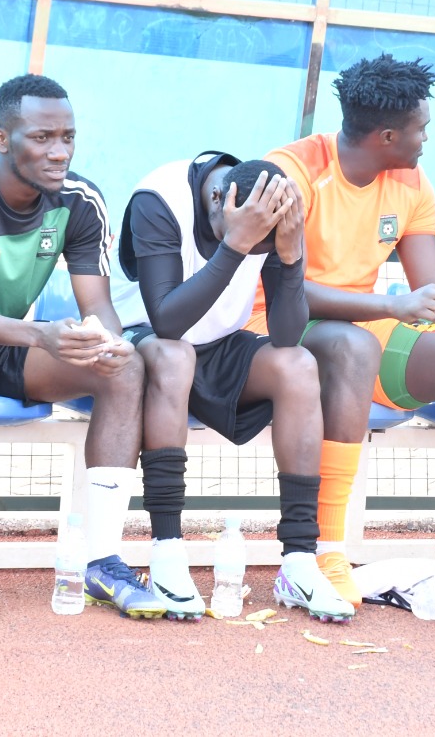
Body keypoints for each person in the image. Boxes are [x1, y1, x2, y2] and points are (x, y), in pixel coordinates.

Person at [252, 54, 435, 612]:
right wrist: (390, 304)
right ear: (386, 136)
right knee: (352, 345)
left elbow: (430, 289)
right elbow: (286, 291)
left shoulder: (410, 179)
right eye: (420, 128)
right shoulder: (292, 171)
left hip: (357, 326)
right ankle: (326, 551)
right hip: (271, 327)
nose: (426, 138)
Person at [0, 75, 172, 621]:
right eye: (43, 137)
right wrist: (39, 334)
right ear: (1, 139)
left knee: (124, 369)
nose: (59, 152)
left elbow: (97, 304)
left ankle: (103, 561)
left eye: (68, 137)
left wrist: (109, 342)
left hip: (9, 339)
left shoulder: (81, 199)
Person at [112, 152, 355, 621]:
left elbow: (286, 335)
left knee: (298, 365)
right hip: (143, 341)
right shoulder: (159, 199)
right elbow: (167, 322)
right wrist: (236, 244)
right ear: (218, 199)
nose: (254, 251)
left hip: (217, 343)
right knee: (175, 355)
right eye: (250, 238)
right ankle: (166, 552)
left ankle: (299, 563)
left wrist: (290, 257)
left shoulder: (269, 210)